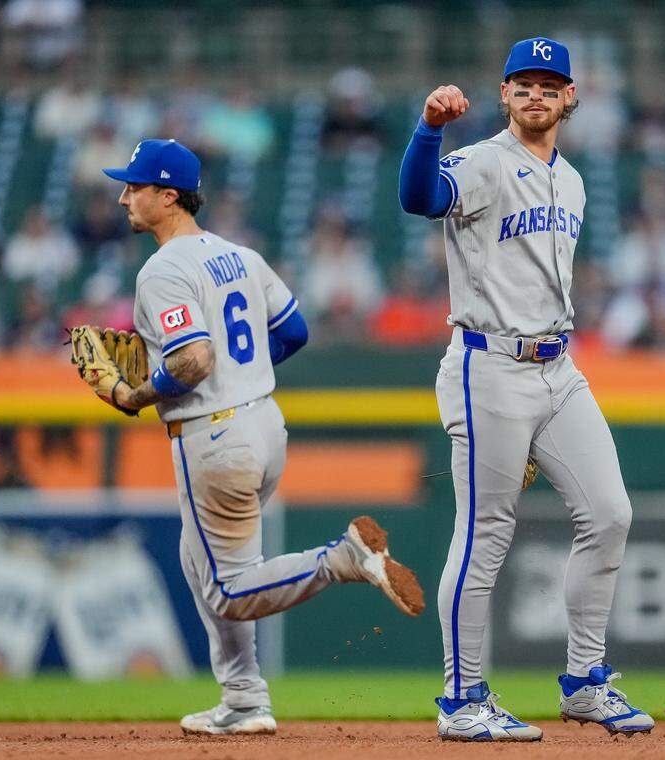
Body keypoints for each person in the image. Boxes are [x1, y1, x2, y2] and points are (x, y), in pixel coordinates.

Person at [97, 139, 425, 735]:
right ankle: (245, 698)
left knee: (227, 590)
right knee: (198, 561)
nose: (123, 196)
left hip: (214, 435)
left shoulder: (161, 269)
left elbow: (192, 361)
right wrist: (243, 377)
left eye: (134, 186)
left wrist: (134, 395)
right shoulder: (238, 255)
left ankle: (341, 559)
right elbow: (293, 330)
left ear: (168, 196)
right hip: (265, 424)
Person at [398, 37, 653, 742]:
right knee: (484, 537)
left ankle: (584, 683)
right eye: (524, 83)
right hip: (490, 368)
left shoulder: (571, 180)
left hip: (558, 370)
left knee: (610, 515)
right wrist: (428, 128)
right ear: (504, 93)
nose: (537, 94)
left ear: (571, 97)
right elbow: (418, 197)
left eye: (550, 83)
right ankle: (462, 699)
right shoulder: (480, 162)